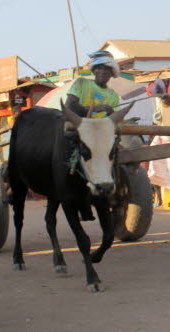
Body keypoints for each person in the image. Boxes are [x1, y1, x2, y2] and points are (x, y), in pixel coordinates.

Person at [65, 51, 121, 220]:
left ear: (112, 74)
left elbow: (113, 121)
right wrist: (95, 108)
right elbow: (69, 106)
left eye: (108, 70)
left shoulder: (113, 96)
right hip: (79, 131)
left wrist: (111, 116)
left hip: (101, 137)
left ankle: (112, 187)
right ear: (94, 70)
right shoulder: (81, 84)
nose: (104, 72)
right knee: (70, 161)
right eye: (100, 68)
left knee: (115, 153)